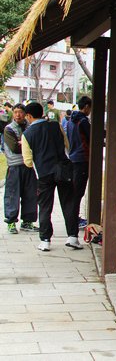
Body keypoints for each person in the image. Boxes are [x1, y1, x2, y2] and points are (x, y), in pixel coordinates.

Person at [21, 102, 80, 251]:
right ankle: (73, 237)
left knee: (45, 206)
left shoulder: (27, 134)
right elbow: (68, 145)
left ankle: (45, 240)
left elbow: (28, 161)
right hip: (63, 170)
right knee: (69, 203)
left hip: (43, 173)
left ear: (28, 116)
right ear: (42, 112)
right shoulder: (55, 125)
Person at [3, 104, 37, 234]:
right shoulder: (9, 129)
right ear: (13, 113)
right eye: (15, 112)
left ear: (25, 114)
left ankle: (27, 222)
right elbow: (15, 148)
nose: (18, 115)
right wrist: (26, 144)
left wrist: (23, 143)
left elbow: (34, 144)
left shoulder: (30, 127)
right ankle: (11, 222)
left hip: (28, 165)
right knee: (12, 194)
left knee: (30, 194)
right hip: (14, 166)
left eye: (21, 112)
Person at [66, 96, 92, 229]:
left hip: (73, 158)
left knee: (75, 191)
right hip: (82, 158)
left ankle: (73, 218)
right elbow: (93, 137)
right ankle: (73, 220)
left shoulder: (71, 121)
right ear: (86, 106)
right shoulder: (83, 122)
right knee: (78, 192)